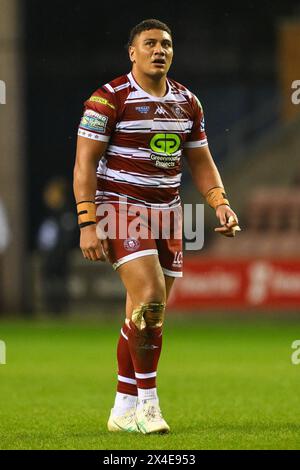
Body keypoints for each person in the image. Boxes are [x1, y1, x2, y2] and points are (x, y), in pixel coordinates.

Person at [73, 18, 240, 434]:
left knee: (146, 314)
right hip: (120, 208)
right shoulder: (108, 99)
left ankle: (122, 405)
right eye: (149, 44)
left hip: (168, 215)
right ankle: (149, 405)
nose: (159, 50)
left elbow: (201, 162)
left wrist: (220, 203)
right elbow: (84, 164)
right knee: (148, 298)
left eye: (166, 44)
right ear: (133, 52)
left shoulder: (188, 102)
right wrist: (87, 221)